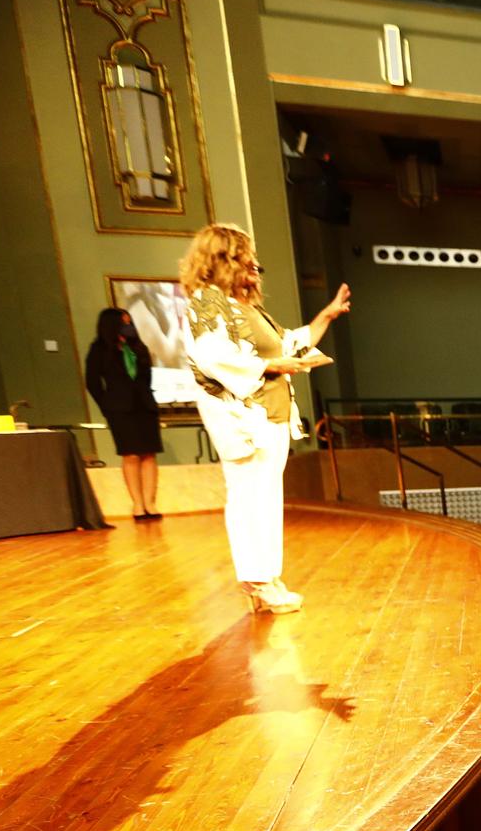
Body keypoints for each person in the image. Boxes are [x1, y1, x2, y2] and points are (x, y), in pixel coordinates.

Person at [180, 222, 349, 614]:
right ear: (223, 261)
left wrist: (326, 316)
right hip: (247, 422)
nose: (255, 267)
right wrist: (279, 365)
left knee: (265, 500)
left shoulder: (244, 309)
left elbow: (288, 343)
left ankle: (266, 580)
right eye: (247, 260)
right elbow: (213, 357)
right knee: (250, 500)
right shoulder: (208, 303)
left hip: (270, 419)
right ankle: (259, 583)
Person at [84, 306, 163, 521]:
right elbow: (92, 382)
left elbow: (146, 377)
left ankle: (150, 503)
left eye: (129, 321)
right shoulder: (99, 349)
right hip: (119, 409)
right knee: (131, 455)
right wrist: (107, 406)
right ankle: (137, 504)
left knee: (149, 454)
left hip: (145, 407)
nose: (128, 325)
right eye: (123, 321)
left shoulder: (138, 347)